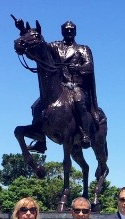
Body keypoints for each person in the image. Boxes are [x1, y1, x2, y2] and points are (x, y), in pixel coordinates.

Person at [29, 20, 96, 152]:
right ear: (62, 31)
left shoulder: (83, 49)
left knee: (79, 101)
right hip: (61, 85)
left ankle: (85, 134)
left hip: (76, 85)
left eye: (71, 30)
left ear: (75, 32)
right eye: (66, 30)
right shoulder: (55, 46)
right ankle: (40, 140)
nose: (69, 32)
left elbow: (89, 66)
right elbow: (41, 48)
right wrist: (26, 31)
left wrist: (77, 67)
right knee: (37, 106)